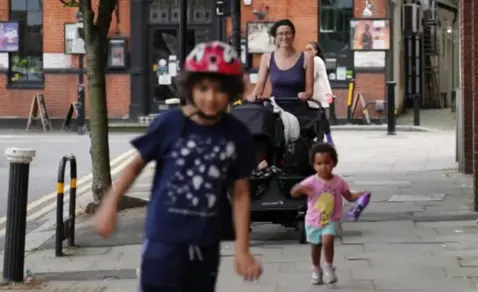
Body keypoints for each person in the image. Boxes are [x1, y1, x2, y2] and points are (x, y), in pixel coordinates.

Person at [95, 41, 263, 291]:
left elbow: (241, 194)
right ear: (190, 86)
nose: (210, 97)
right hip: (163, 241)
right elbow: (134, 167)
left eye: (219, 90)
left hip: (205, 244)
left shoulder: (236, 134)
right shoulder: (169, 123)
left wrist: (242, 250)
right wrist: (110, 204)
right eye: (203, 88)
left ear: (232, 91)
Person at [290, 143, 369, 285]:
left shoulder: (339, 182)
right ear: (313, 165)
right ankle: (316, 269)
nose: (323, 167)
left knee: (328, 241)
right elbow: (294, 192)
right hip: (314, 220)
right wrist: (303, 189)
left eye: (327, 162)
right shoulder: (312, 181)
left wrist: (361, 195)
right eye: (319, 163)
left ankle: (328, 267)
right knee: (315, 246)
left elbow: (349, 196)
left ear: (334, 163)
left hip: (331, 219)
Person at [246, 19, 315, 132]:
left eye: (288, 33)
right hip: (276, 108)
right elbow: (259, 87)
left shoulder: (306, 57)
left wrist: (305, 94)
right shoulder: (267, 57)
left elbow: (310, 91)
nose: (285, 37)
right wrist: (253, 95)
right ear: (275, 37)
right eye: (280, 34)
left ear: (293, 35)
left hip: (298, 108)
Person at [304, 41, 335, 145]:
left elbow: (313, 77)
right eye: (306, 49)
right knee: (321, 117)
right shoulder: (315, 60)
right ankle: (327, 138)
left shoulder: (315, 60)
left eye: (310, 49)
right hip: (318, 92)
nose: (307, 52)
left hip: (316, 93)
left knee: (318, 116)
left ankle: (322, 138)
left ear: (316, 51)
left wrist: (328, 93)